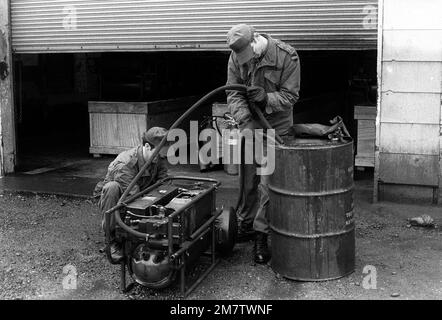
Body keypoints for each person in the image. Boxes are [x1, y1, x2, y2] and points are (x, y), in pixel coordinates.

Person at [226, 24, 301, 264]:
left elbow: (291, 96)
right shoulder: (236, 56)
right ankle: (246, 223)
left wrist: (266, 97)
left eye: (252, 55)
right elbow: (233, 93)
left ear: (257, 38)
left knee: (268, 182)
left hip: (276, 125)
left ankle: (261, 233)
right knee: (248, 179)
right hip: (250, 122)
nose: (248, 61)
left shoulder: (287, 56)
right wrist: (244, 119)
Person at [93, 126, 169, 260]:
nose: (161, 157)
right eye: (158, 153)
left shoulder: (157, 157)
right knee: (112, 187)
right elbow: (133, 196)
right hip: (118, 197)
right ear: (146, 146)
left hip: (141, 192)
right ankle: (111, 241)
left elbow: (164, 182)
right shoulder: (126, 163)